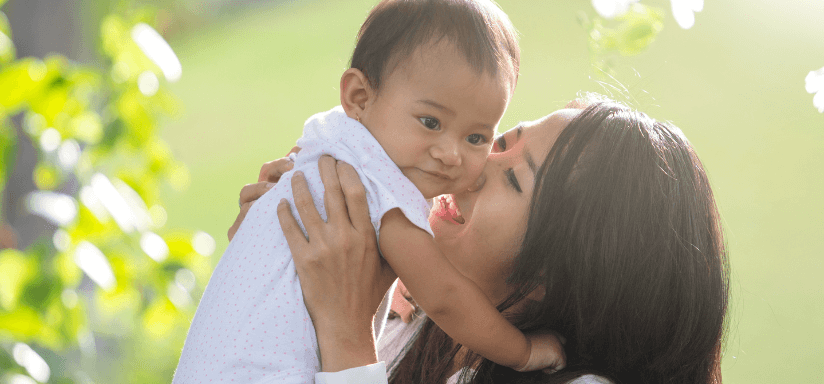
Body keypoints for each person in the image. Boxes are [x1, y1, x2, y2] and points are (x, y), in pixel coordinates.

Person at [174, 0, 567, 382]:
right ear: (359, 96)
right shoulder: (384, 188)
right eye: (430, 122)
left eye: (477, 137)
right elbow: (445, 297)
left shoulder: (330, 138)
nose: (451, 154)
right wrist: (524, 352)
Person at [251, 98, 728, 383]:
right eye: (499, 143)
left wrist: (344, 328)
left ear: (565, 277)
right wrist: (277, 253)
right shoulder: (428, 319)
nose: (472, 165)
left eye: (515, 180)